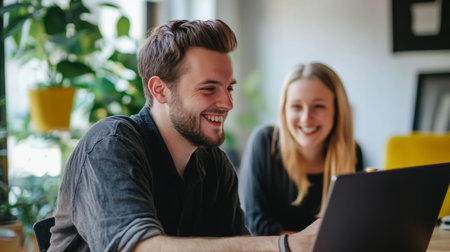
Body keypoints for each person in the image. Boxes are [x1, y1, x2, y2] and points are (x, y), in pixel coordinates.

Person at [48, 19, 319, 252]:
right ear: (160, 90)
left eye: (229, 89)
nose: (227, 103)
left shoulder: (214, 165)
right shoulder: (110, 144)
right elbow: (141, 248)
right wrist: (288, 245)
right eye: (209, 89)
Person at [239, 62, 363, 235]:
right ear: (284, 110)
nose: (306, 118)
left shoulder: (352, 152)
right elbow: (255, 225)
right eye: (296, 107)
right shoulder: (265, 142)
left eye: (318, 106)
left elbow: (351, 226)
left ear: (337, 110)